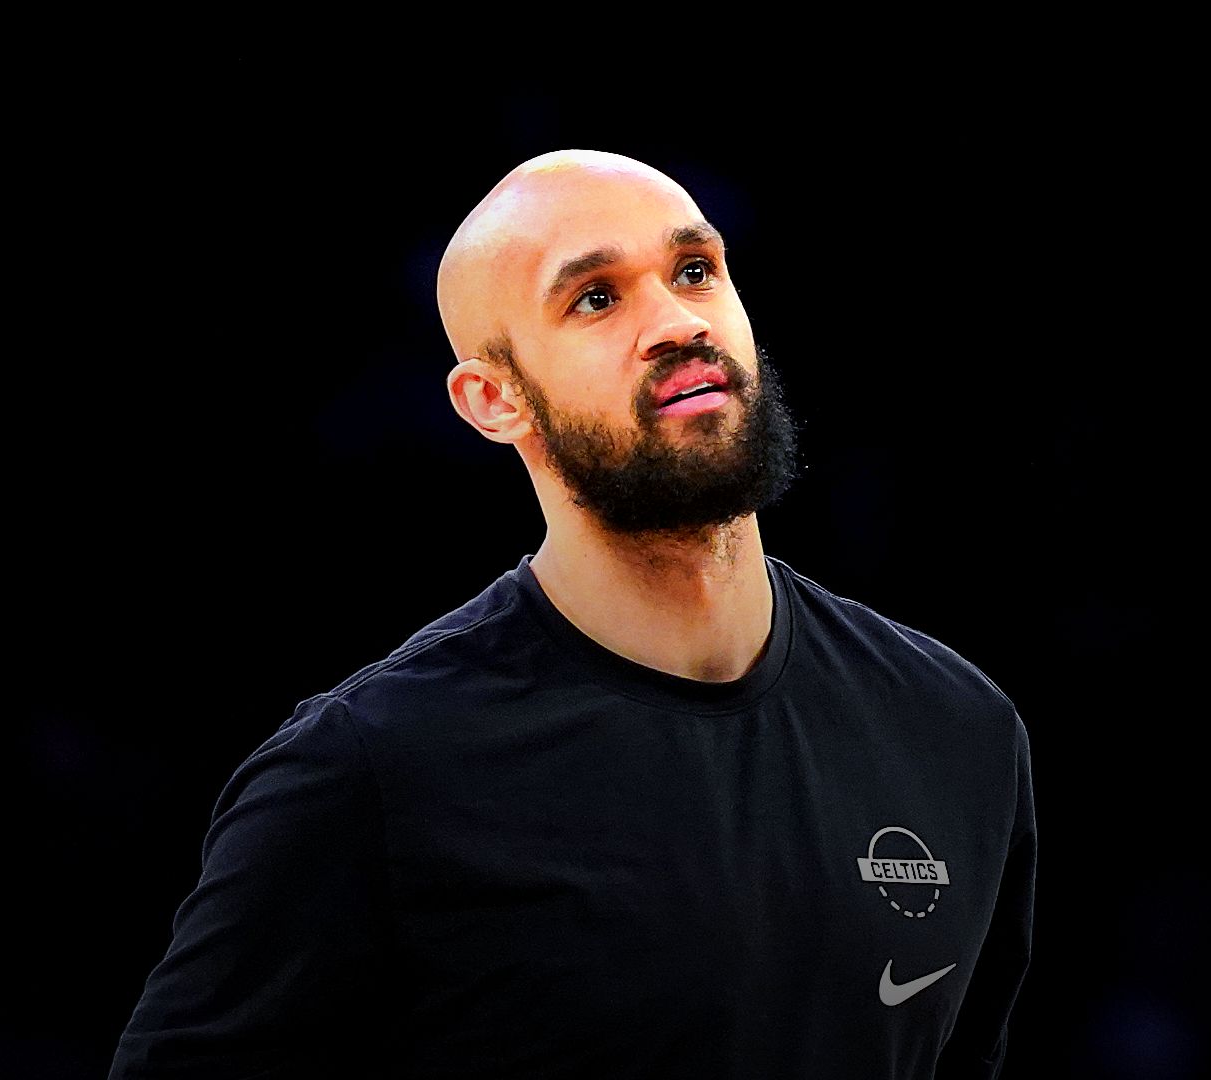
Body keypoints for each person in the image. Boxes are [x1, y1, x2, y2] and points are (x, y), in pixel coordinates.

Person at [110, 150, 1036, 1079]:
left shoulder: (956, 728)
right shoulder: (372, 771)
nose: (676, 322)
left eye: (694, 272)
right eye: (596, 298)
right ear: (494, 400)